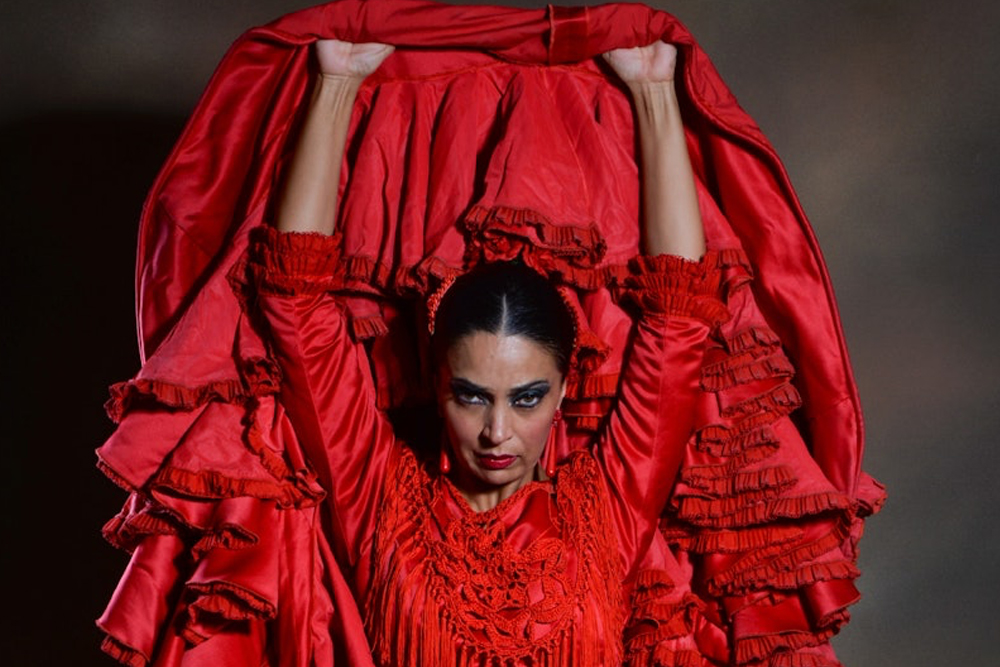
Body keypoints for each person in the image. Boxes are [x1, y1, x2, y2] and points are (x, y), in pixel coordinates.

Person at [250, 37, 722, 665]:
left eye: (526, 399)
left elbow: (679, 321)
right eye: (471, 396)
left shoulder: (607, 509)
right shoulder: (380, 499)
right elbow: (294, 304)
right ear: (435, 381)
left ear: (564, 390)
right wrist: (336, 82)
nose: (497, 432)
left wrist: (653, 89)